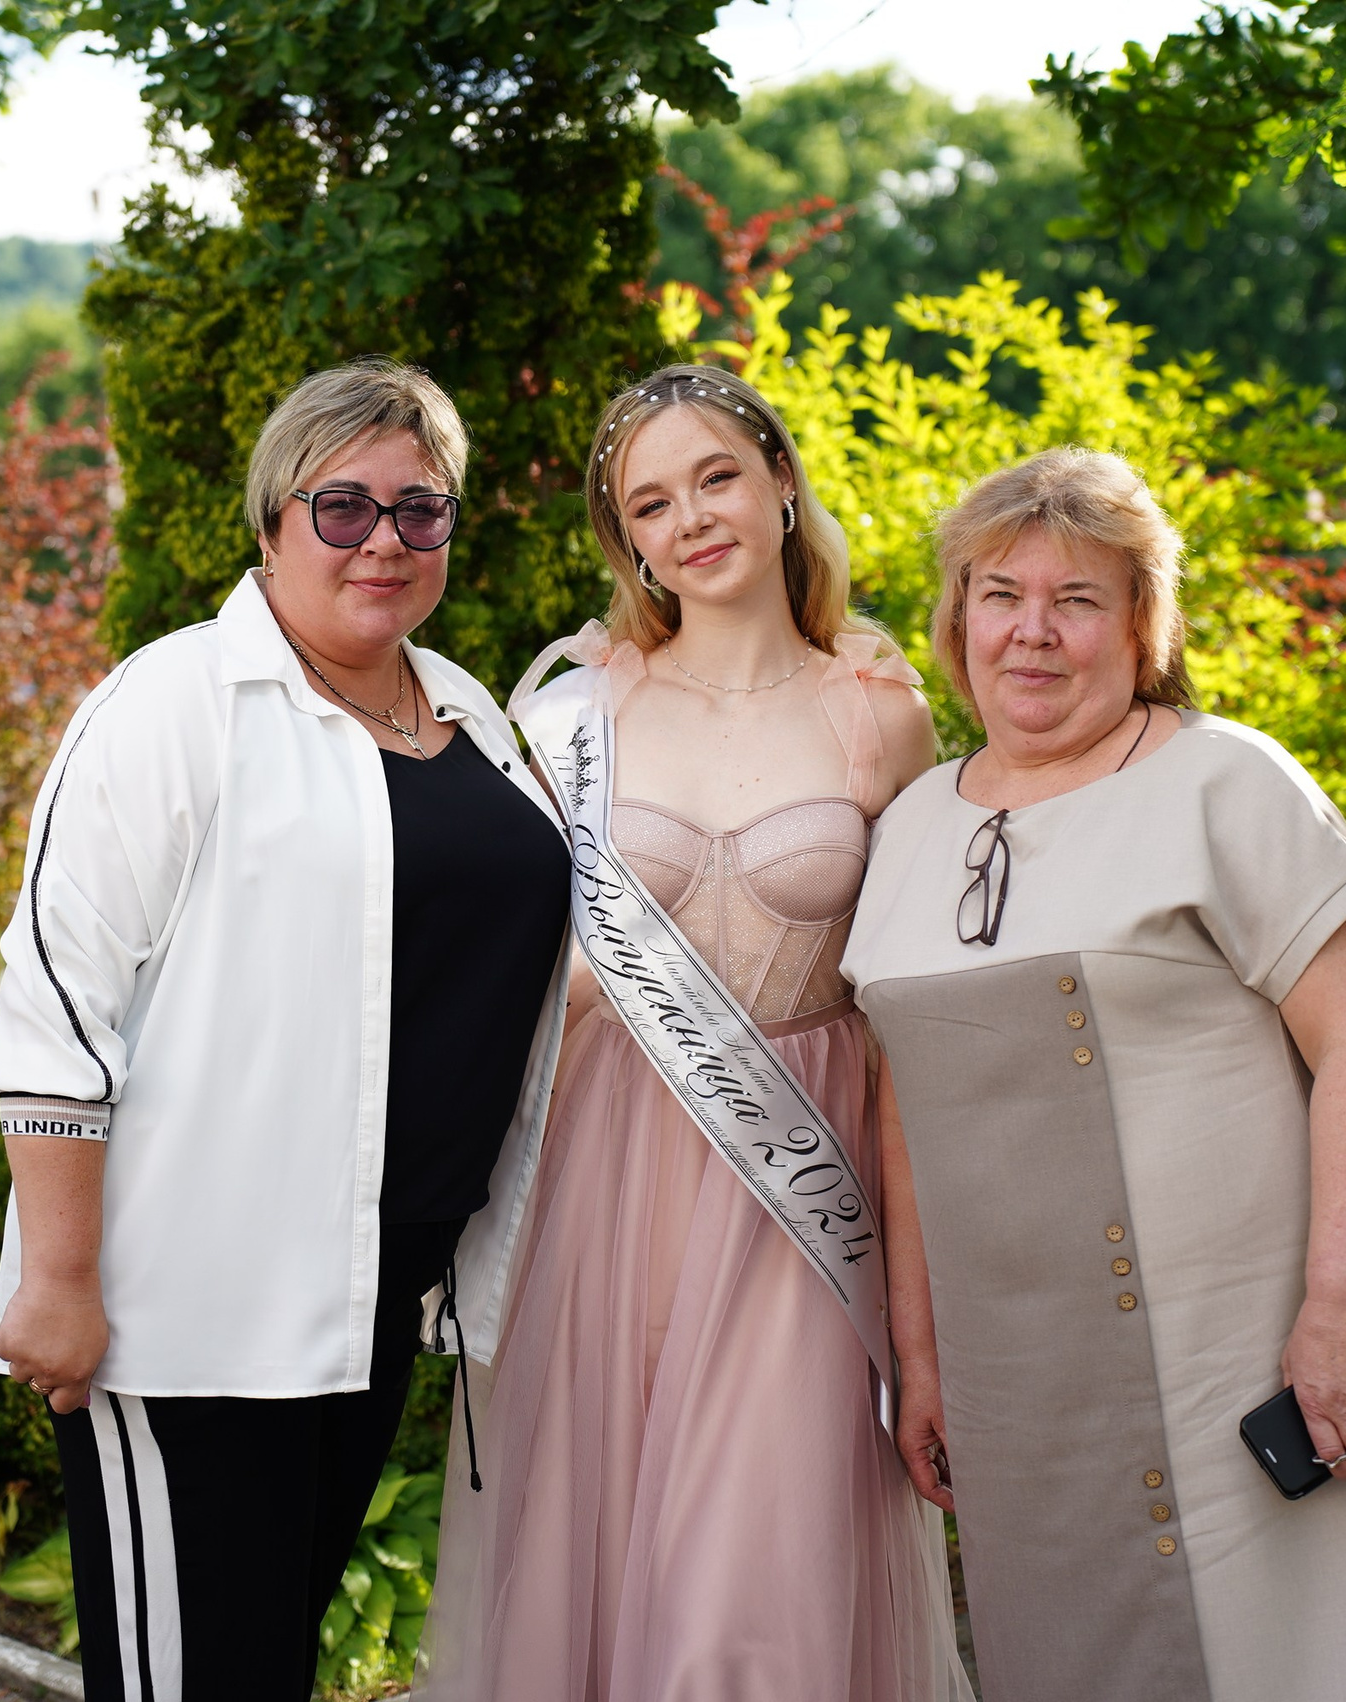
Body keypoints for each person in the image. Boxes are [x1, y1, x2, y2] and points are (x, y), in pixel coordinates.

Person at [0, 358, 574, 1702]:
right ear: (270, 523)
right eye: (343, 506)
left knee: (264, 1667)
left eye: (420, 509)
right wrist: (64, 1279)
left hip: (374, 1290)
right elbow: (56, 1006)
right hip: (184, 1304)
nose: (384, 540)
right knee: (187, 1682)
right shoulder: (174, 703)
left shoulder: (473, 714)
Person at [842, 447, 1346, 1702]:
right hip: (1018, 1391)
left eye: (1078, 600)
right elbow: (903, 1110)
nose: (1033, 634)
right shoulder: (908, 828)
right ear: (956, 622)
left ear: (1141, 624)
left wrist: (1342, 1302)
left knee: (1277, 1662)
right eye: (1001, 596)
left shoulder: (1225, 779)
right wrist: (923, 1358)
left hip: (1232, 1361)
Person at [417, 365, 970, 1701]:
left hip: (801, 1177)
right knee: (586, 1562)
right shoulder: (578, 712)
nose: (691, 520)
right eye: (648, 503)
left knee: (751, 1596)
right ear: (628, 542)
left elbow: (912, 1009)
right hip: (602, 1183)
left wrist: (921, 1312)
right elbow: (512, 969)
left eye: (715, 476)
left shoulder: (880, 708)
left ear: (781, 480)